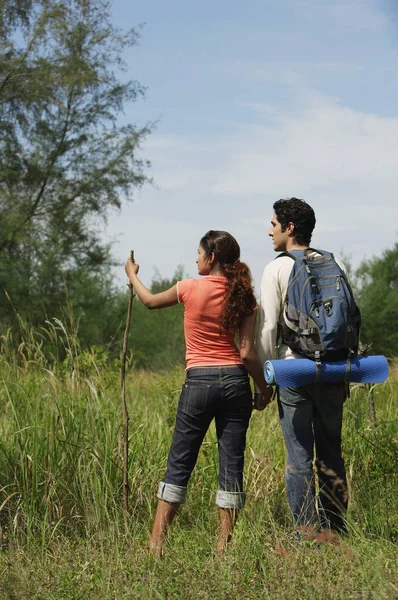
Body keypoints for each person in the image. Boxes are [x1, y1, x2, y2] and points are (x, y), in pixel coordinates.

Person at [125, 230, 271, 557]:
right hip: (236, 382)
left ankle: (156, 545)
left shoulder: (189, 288)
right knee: (231, 465)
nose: (195, 258)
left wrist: (132, 275)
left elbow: (148, 302)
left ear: (212, 256)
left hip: (199, 382)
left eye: (198, 252)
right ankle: (223, 549)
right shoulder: (244, 295)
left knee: (180, 462)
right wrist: (264, 388)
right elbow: (247, 352)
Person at [255, 198, 348, 541]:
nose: (269, 230)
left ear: (289, 228)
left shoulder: (276, 268)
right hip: (334, 368)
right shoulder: (331, 263)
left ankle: (306, 535)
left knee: (298, 457)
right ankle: (337, 531)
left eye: (273, 224)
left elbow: (266, 330)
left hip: (294, 371)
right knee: (331, 452)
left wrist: (265, 380)